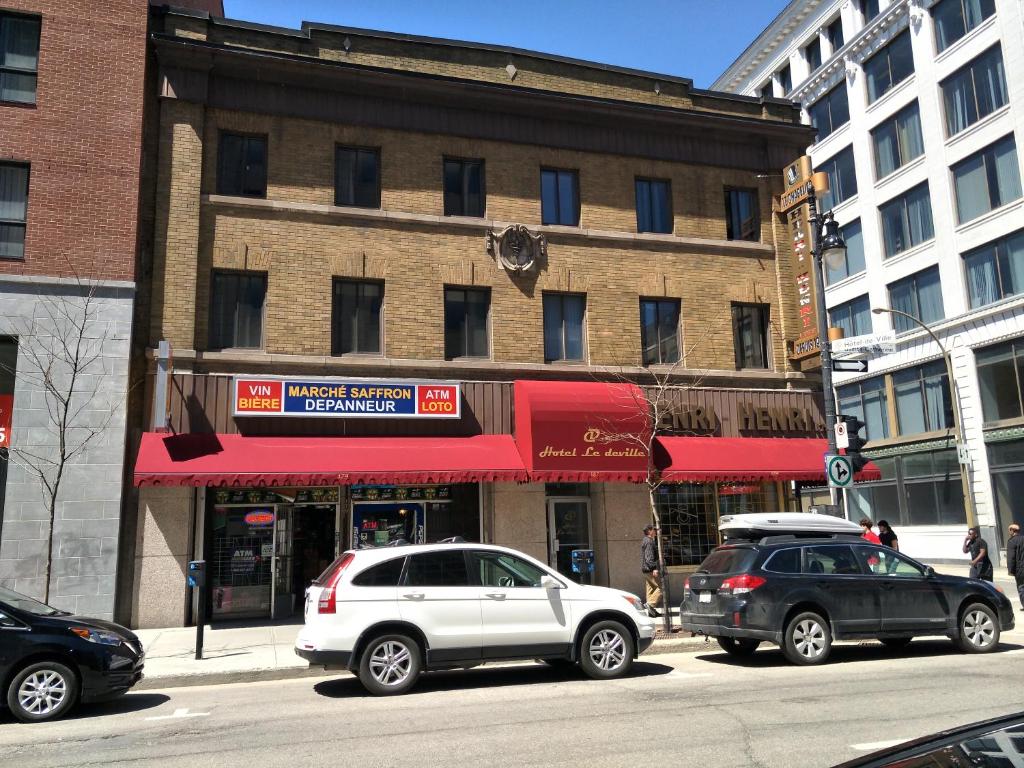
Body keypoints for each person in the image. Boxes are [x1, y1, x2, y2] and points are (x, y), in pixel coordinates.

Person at [640, 524, 662, 618]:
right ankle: (650, 605)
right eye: (654, 530)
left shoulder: (646, 540)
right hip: (650, 569)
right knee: (661, 589)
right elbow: (649, 558)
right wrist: (654, 568)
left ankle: (651, 612)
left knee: (651, 590)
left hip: (646, 569)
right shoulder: (649, 541)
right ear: (649, 531)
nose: (656, 531)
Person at [1006, 523, 1024, 609]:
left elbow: (1011, 557)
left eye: (1009, 530)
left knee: (1021, 587)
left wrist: (1010, 570)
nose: (1009, 532)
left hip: (1019, 569)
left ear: (1012, 531)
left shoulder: (1011, 541)